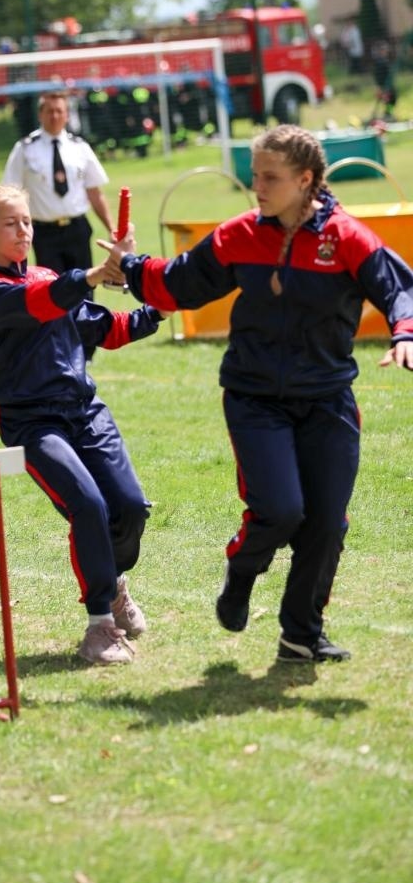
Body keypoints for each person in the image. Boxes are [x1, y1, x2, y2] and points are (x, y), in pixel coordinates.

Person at [100, 125, 413, 664]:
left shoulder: (348, 238)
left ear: (306, 179)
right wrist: (128, 268)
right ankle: (242, 569)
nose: (258, 186)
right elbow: (180, 283)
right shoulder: (241, 234)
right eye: (255, 175)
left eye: (270, 177)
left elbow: (399, 289)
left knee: (327, 523)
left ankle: (300, 634)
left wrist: (405, 332)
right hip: (254, 397)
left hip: (327, 400)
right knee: (280, 509)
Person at [0, 183, 165, 665]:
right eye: (11, 223)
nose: (23, 231)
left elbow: (106, 328)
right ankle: (100, 626)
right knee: (88, 504)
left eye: (27, 222)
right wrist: (95, 273)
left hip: (85, 413)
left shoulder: (47, 276)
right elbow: (42, 301)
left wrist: (160, 304)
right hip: (33, 424)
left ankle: (114, 582)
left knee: (131, 507)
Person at [1, 91, 115, 273]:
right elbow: (10, 193)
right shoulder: (25, 148)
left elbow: (94, 191)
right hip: (44, 232)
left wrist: (111, 227)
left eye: (59, 111)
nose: (54, 116)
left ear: (67, 114)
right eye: (49, 111)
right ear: (40, 114)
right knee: (52, 291)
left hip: (77, 228)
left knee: (84, 289)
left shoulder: (80, 147)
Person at [372, 41, 397, 119]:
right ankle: (386, 114)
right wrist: (379, 87)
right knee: (389, 99)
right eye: (384, 50)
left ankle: (387, 113)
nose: (385, 51)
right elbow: (377, 75)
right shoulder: (380, 62)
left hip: (387, 86)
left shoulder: (384, 61)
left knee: (390, 99)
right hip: (384, 86)